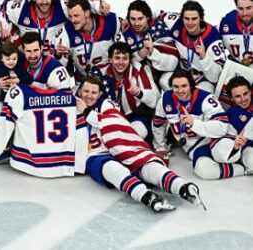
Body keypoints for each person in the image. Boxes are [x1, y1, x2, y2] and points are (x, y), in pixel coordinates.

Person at [77, 75, 205, 212]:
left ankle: (182, 186)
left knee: (147, 166)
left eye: (94, 92)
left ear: (100, 94)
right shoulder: (68, 106)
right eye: (86, 91)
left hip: (119, 146)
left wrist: (85, 111)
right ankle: (145, 195)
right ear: (79, 91)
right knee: (112, 169)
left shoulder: (106, 104)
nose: (89, 96)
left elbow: (110, 120)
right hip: (95, 154)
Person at [0, 82, 88, 177]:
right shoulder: (72, 100)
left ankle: (2, 152)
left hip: (26, 164)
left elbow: (5, 124)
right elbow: (81, 133)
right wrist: (79, 166)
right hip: (61, 165)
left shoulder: (18, 93)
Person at [152, 70, 230, 179]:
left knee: (223, 157)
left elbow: (222, 127)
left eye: (184, 86)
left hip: (211, 141)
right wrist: (160, 146)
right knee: (204, 170)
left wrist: (194, 123)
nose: (180, 91)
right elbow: (158, 123)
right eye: (175, 86)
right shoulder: (165, 99)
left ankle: (242, 168)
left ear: (191, 85)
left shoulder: (205, 98)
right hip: (192, 147)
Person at [0, 0, 109, 52]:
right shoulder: (20, 8)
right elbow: (3, 8)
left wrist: (99, 7)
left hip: (55, 57)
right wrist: (5, 29)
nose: (44, 2)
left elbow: (82, 3)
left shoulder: (63, 5)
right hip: (28, 57)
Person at [91, 42, 160, 141]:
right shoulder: (100, 72)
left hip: (134, 116)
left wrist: (139, 93)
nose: (121, 62)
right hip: (107, 118)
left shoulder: (138, 70)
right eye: (117, 58)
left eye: (125, 58)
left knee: (135, 135)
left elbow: (155, 99)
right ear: (110, 59)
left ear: (129, 60)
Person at [160, 0, 226, 92]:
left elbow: (215, 77)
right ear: (182, 17)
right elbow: (158, 14)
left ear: (201, 18)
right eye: (186, 19)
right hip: (182, 74)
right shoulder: (176, 22)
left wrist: (204, 57)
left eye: (194, 19)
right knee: (164, 81)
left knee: (202, 93)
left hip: (202, 79)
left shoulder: (213, 39)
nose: (190, 23)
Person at [53, 0, 122, 81]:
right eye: (70, 16)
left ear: (87, 13)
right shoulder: (66, 31)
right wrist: (58, 55)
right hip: (83, 84)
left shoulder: (112, 21)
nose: (73, 20)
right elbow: (59, 67)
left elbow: (126, 49)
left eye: (76, 16)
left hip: (109, 81)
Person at [210, 75, 253, 177]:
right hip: (247, 147)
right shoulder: (231, 114)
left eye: (245, 94)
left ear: (250, 92)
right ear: (231, 98)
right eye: (237, 96)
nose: (243, 99)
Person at [124, 0, 178, 74]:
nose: (136, 23)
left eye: (140, 19)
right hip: (144, 73)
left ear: (148, 17)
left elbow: (173, 64)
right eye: (133, 19)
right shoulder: (125, 32)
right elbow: (121, 62)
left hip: (165, 73)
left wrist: (153, 52)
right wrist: (139, 55)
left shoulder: (159, 29)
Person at [219, 0, 253, 67]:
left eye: (249, 8)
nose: (245, 13)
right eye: (240, 9)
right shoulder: (227, 22)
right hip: (238, 72)